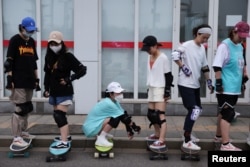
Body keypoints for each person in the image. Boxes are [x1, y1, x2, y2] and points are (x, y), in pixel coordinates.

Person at [171, 24, 213, 151]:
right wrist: (183, 67)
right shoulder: (187, 45)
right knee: (194, 110)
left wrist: (209, 81)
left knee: (197, 110)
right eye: (204, 37)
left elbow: (205, 67)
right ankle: (187, 139)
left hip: (195, 84)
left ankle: (187, 133)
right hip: (185, 83)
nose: (205, 40)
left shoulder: (201, 49)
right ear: (197, 34)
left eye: (208, 38)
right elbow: (174, 55)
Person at [43, 31, 87, 149]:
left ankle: (64, 141)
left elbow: (82, 70)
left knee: (59, 115)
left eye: (56, 43)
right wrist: (46, 88)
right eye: (51, 43)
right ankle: (65, 137)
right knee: (57, 116)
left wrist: (69, 79)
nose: (53, 46)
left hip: (65, 91)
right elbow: (47, 74)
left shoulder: (68, 56)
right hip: (54, 92)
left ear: (61, 43)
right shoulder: (48, 56)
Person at [212, 21, 250, 151]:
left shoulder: (241, 46)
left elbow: (242, 63)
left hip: (234, 87)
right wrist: (218, 83)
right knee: (228, 114)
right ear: (234, 31)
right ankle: (225, 144)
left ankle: (218, 137)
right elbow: (217, 66)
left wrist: (244, 79)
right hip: (226, 87)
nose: (242, 38)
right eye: (241, 35)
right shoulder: (225, 46)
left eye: (244, 36)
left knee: (223, 113)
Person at [4, 17, 40, 147]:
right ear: (22, 28)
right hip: (18, 80)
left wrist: (37, 79)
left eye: (32, 31)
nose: (30, 33)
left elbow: (34, 62)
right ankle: (16, 137)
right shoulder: (15, 40)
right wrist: (9, 79)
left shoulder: (31, 42)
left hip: (30, 79)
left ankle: (23, 132)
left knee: (27, 108)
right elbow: (9, 62)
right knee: (19, 109)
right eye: (28, 30)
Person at [82, 82, 141, 147]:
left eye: (121, 92)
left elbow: (124, 115)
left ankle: (102, 134)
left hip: (93, 125)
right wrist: (135, 127)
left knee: (117, 116)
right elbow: (124, 118)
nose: (121, 95)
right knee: (115, 118)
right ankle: (101, 138)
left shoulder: (114, 101)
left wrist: (129, 130)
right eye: (118, 93)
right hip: (91, 129)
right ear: (111, 94)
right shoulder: (109, 103)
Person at [141, 35, 173, 149]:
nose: (147, 52)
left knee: (159, 115)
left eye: (149, 49)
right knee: (151, 115)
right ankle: (157, 134)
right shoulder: (149, 56)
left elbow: (168, 76)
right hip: (152, 87)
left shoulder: (163, 58)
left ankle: (162, 140)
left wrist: (167, 92)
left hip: (160, 88)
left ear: (155, 46)